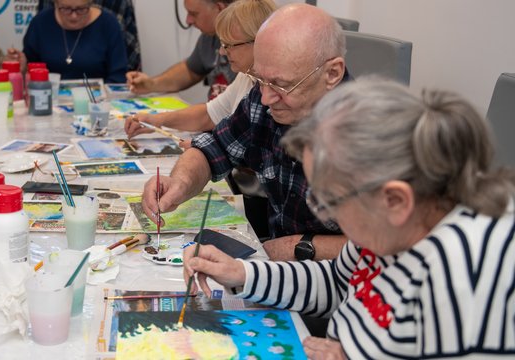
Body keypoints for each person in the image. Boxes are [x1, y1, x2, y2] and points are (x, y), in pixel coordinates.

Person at [184, 77, 515, 358]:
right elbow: (338, 282)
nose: (322, 213)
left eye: (331, 201)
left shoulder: (465, 276)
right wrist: (242, 273)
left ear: (396, 200)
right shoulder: (393, 224)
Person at [140, 4, 350, 261]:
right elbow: (212, 148)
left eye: (281, 85)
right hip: (277, 267)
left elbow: (393, 248)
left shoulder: (371, 135)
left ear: (332, 73)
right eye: (260, 80)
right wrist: (180, 183)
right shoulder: (266, 98)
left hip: (341, 282)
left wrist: (299, 246)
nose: (265, 97)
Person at [124, 0, 277, 139]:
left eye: (229, 45)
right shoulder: (245, 76)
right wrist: (156, 119)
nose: (222, 51)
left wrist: (206, 149)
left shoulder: (274, 89)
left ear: (257, 42)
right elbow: (209, 114)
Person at [126, 0, 236, 99]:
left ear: (220, 9)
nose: (188, 21)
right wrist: (151, 84)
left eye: (194, 14)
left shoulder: (248, 43)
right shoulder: (209, 36)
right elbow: (190, 71)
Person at [17, 0, 127, 82]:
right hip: (48, 101)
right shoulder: (40, 23)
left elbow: (118, 76)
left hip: (96, 103)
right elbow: (31, 69)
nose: (74, 16)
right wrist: (22, 66)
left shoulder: (108, 24)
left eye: (81, 9)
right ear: (56, 4)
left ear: (90, 4)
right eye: (66, 9)